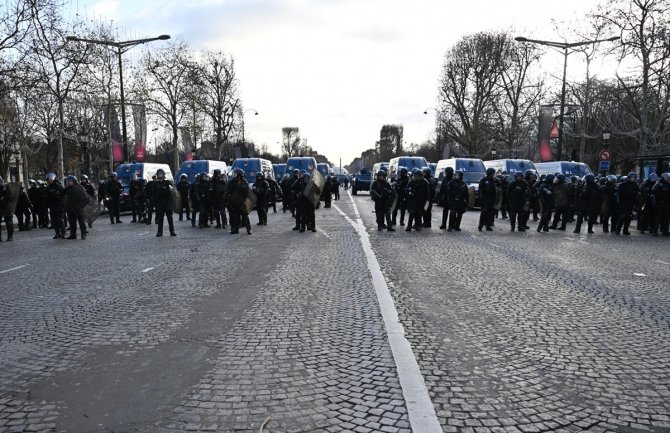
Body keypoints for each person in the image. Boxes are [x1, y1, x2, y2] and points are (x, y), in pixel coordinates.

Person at [151, 168, 176, 237]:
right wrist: (154, 203)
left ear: (164, 175)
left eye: (161, 173)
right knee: (160, 219)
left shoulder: (167, 182)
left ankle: (172, 231)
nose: (160, 175)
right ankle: (159, 232)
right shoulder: (155, 184)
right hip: (159, 204)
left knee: (170, 218)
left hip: (167, 203)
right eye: (159, 174)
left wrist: (172, 202)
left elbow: (173, 193)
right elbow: (153, 194)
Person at [227, 169, 252, 235]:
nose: (233, 175)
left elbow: (247, 192)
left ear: (239, 175)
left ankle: (249, 230)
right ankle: (235, 229)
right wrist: (229, 198)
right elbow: (228, 191)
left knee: (245, 217)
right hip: (234, 202)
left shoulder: (244, 182)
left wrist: (245, 201)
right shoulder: (231, 182)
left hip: (242, 202)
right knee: (235, 217)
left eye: (235, 174)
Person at [45, 172, 65, 239]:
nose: (48, 180)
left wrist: (57, 196)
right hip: (52, 206)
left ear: (52, 178)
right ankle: (57, 233)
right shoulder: (48, 187)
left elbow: (63, 195)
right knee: (54, 221)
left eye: (49, 179)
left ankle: (63, 233)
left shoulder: (59, 185)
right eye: (47, 180)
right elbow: (46, 196)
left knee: (60, 220)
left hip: (59, 205)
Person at [0, 176, 15, 241]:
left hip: (7, 207)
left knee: (9, 222)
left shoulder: (6, 188)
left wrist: (4, 198)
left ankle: (10, 236)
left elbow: (11, 197)